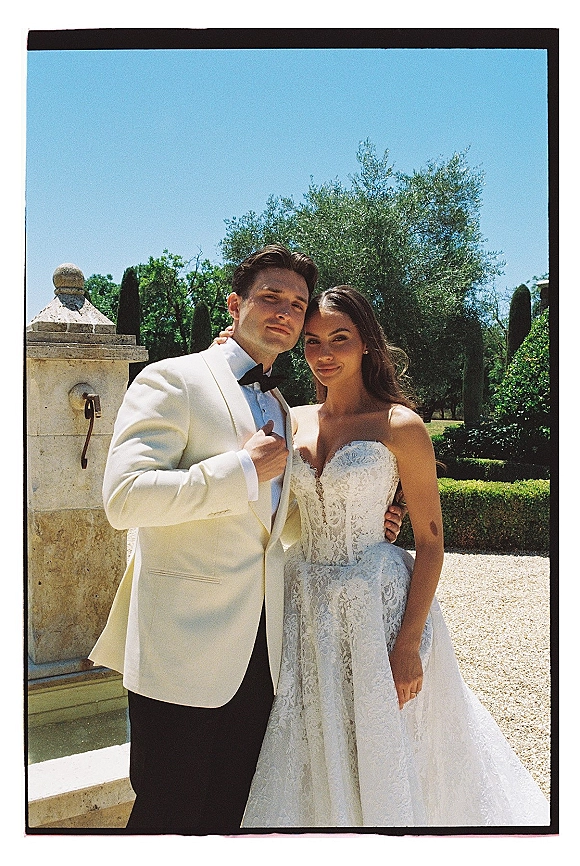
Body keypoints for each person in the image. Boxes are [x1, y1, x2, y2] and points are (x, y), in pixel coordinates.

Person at [89, 246, 404, 835]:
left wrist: (351, 521)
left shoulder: (282, 407)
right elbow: (123, 499)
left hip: (265, 654)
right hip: (181, 650)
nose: (285, 312)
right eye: (270, 297)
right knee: (165, 817)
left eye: (297, 304)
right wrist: (239, 470)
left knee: (232, 818)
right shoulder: (171, 379)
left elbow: (271, 521)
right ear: (235, 305)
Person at [240, 285, 550, 828]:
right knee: (315, 738)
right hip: (306, 604)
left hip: (376, 608)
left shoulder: (401, 426)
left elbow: (431, 542)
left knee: (386, 741)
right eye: (312, 341)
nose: (324, 353)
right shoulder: (294, 419)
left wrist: (408, 643)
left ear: (366, 344)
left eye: (341, 338)